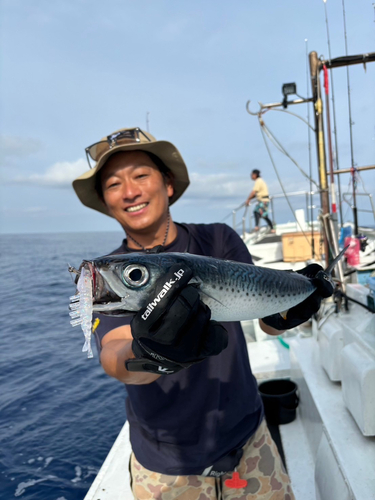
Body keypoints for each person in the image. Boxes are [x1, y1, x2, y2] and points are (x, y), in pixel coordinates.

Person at [72, 127, 332, 500]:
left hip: (248, 440)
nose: (130, 191)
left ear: (169, 184)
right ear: (105, 200)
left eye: (141, 175)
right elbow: (113, 356)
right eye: (114, 184)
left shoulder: (218, 240)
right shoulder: (112, 278)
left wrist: (289, 309)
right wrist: (151, 354)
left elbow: (264, 317)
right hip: (166, 465)